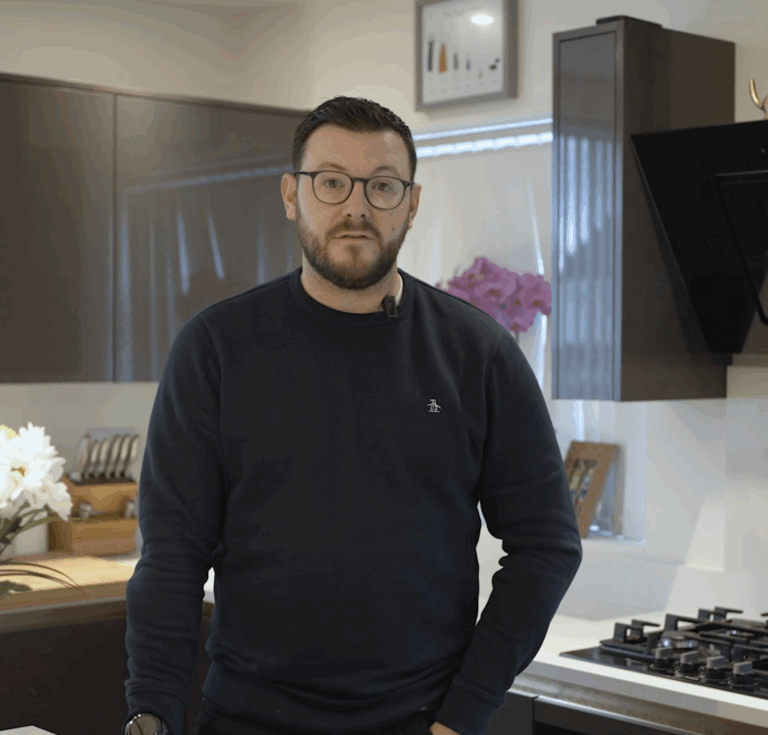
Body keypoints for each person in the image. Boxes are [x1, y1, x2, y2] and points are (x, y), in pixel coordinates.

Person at [123, 96, 583, 735]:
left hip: (420, 722)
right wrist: (152, 712)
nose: (356, 207)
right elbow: (172, 558)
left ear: (412, 203)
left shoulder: (476, 354)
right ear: (292, 195)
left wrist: (464, 714)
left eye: (383, 186)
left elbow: (547, 544)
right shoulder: (217, 349)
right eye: (331, 182)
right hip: (247, 720)